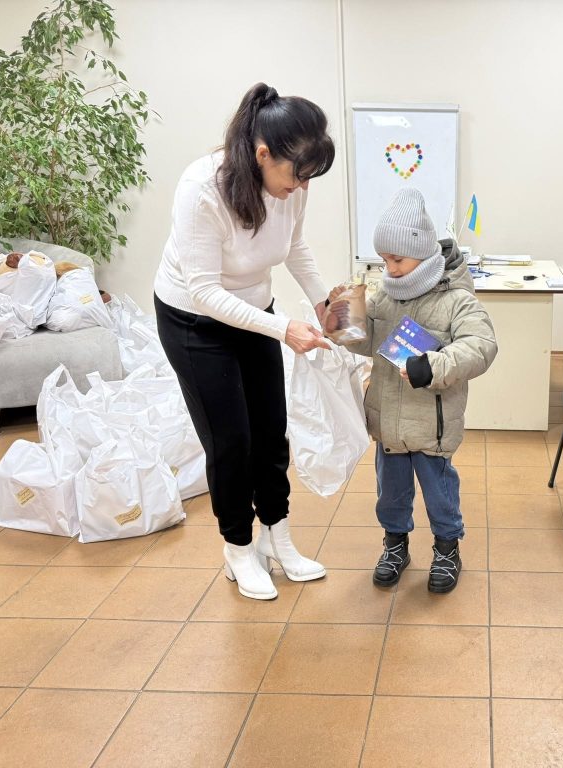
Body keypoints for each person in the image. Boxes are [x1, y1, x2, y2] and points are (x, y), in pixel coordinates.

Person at [154, 83, 335, 601]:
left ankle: (278, 536)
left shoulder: (294, 185)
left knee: (270, 431)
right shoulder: (202, 189)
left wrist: (327, 305)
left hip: (255, 312)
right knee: (230, 441)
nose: (301, 187)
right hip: (195, 322)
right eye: (296, 175)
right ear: (262, 154)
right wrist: (285, 329)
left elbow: (295, 247)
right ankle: (238, 548)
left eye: (309, 177)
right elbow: (205, 292)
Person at [338, 188, 497, 594]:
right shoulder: (383, 298)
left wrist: (435, 365)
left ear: (423, 255)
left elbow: (481, 346)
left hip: (432, 427)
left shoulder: (456, 299)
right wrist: (342, 321)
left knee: (440, 495)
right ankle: (395, 546)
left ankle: (447, 549)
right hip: (389, 424)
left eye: (397, 260)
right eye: (384, 260)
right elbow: (365, 342)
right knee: (390, 495)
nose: (389, 269)